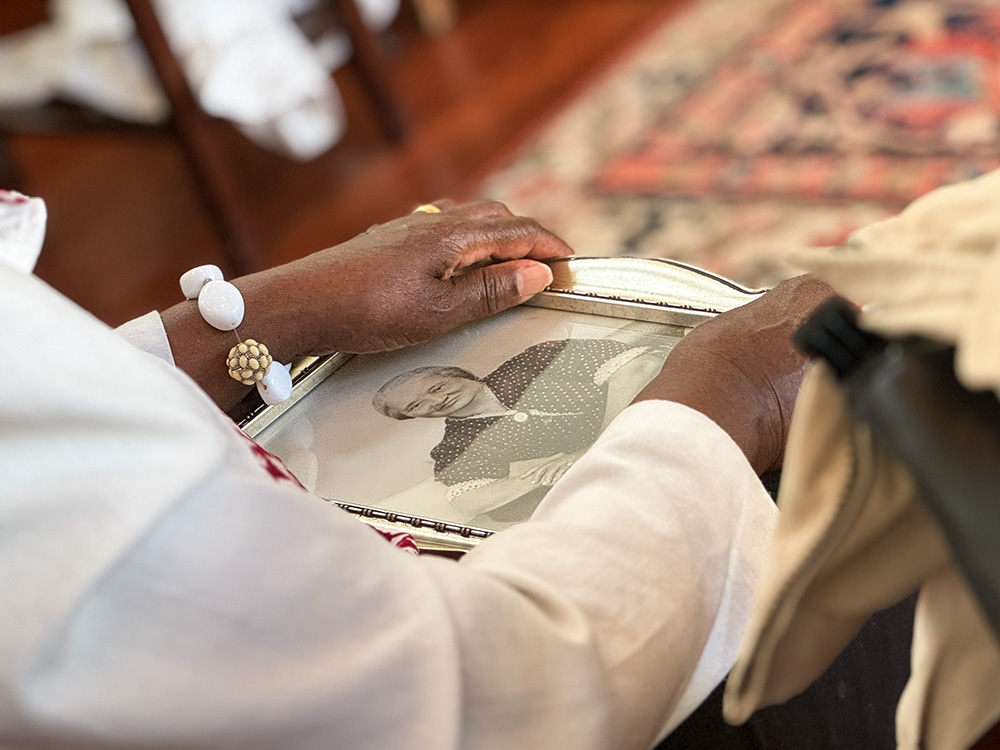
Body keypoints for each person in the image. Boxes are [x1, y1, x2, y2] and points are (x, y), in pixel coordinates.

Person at [1, 192, 831, 749]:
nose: (436, 388)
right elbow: (500, 700)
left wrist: (247, 325)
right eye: (419, 397)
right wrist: (737, 397)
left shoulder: (543, 378)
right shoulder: (460, 467)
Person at [372, 338, 669, 514]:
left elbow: (642, 366)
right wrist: (538, 477)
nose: (434, 402)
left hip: (670, 408)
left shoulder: (536, 360)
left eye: (435, 388)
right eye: (415, 406)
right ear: (411, 418)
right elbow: (467, 501)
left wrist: (590, 450)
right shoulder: (458, 445)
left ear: (454, 373)